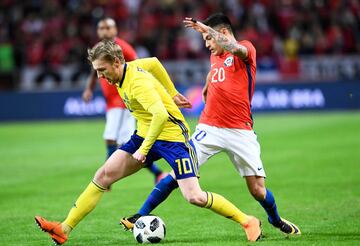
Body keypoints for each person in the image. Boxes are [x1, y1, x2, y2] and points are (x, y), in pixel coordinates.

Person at [34, 40, 262, 245]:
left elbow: (161, 116)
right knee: (103, 175)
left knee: (194, 196)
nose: (100, 77)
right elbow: (153, 62)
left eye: (102, 70)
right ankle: (64, 229)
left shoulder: (137, 84)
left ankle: (248, 221)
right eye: (96, 72)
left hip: (173, 138)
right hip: (145, 133)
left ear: (116, 62)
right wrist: (172, 92)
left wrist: (143, 150)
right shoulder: (127, 69)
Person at [121, 13, 301, 236]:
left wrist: (208, 29)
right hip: (209, 129)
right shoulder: (215, 58)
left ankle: (275, 219)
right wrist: (206, 87)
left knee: (257, 190)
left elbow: (236, 49)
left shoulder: (246, 49)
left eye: (208, 39)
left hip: (240, 130)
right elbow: (215, 71)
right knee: (179, 171)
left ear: (222, 33)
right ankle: (140, 214)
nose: (206, 45)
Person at [82, 17, 166, 182]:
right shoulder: (98, 49)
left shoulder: (123, 48)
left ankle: (106, 177)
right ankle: (157, 173)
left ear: (115, 30)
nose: (104, 31)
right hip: (111, 102)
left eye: (108, 28)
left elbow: (139, 67)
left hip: (123, 101)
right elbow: (93, 73)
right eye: (101, 28)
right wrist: (88, 89)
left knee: (111, 138)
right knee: (123, 143)